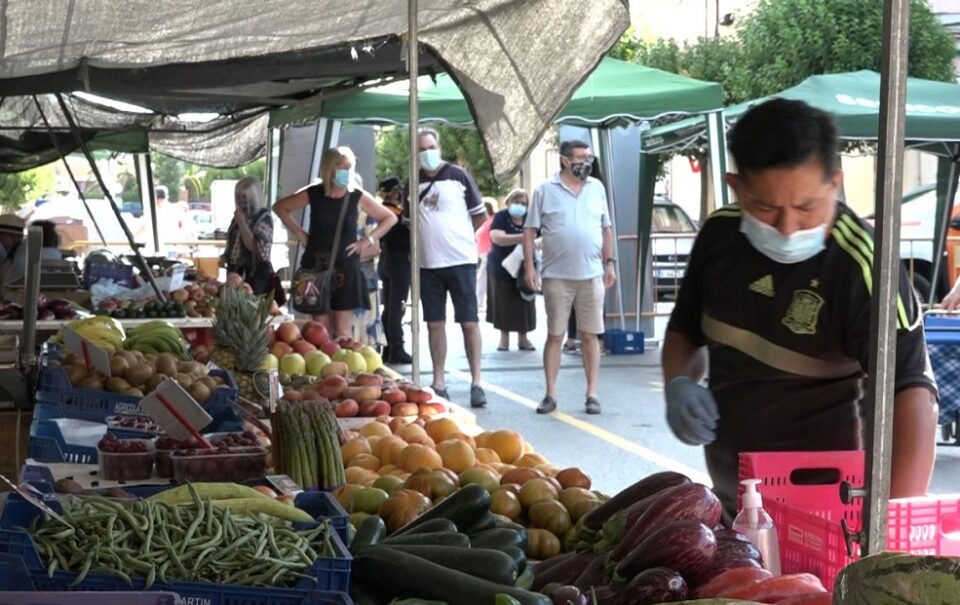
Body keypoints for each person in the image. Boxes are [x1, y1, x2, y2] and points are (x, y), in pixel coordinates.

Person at [662, 98, 939, 519]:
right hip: (736, 498)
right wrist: (679, 382)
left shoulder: (864, 264)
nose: (787, 227)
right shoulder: (719, 237)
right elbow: (685, 330)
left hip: (833, 508)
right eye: (766, 208)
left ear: (835, 184)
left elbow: (913, 393)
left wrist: (891, 521)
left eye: (806, 207)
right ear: (737, 187)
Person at [523, 139, 616, 415]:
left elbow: (606, 228)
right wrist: (530, 267)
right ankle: (550, 394)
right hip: (556, 276)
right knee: (555, 335)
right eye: (580, 157)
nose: (586, 162)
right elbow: (529, 230)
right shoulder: (545, 189)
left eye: (589, 157)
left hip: (592, 274)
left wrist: (609, 263)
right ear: (565, 160)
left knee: (590, 335)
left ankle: (592, 394)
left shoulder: (596, 188)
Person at [274, 146, 397, 337]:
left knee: (342, 331)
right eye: (341, 167)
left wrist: (367, 240)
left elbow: (390, 218)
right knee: (320, 330)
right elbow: (280, 207)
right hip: (316, 267)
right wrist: (300, 234)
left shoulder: (357, 196)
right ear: (329, 169)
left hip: (346, 266)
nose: (345, 172)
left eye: (349, 167)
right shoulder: (314, 193)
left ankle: (343, 356)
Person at [410, 128, 488, 407]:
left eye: (431, 147)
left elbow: (480, 216)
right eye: (421, 149)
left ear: (439, 148)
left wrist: (461, 238)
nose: (427, 153)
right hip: (428, 265)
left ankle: (476, 382)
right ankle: (439, 381)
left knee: (469, 322)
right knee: (434, 323)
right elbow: (410, 222)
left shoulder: (458, 176)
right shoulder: (412, 181)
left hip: (460, 262)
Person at [488, 189, 537, 351]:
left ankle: (523, 338)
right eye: (517, 202)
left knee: (525, 301)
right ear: (509, 202)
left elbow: (540, 236)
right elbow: (497, 238)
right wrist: (524, 237)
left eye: (523, 203)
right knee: (504, 302)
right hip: (502, 268)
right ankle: (504, 339)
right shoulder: (501, 217)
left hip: (525, 267)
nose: (520, 206)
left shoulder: (530, 218)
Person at [378, 176, 413, 364]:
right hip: (397, 261)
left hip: (387, 261)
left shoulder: (383, 211)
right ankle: (396, 347)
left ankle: (388, 347)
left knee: (391, 307)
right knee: (397, 307)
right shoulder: (394, 214)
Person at [222, 177, 275, 296]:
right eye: (238, 196)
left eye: (244, 197)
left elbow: (255, 248)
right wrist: (226, 256)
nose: (241, 201)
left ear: (254, 198)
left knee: (249, 303)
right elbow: (234, 242)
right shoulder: (238, 217)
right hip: (235, 271)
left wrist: (242, 223)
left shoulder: (264, 218)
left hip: (254, 274)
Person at [475, 199, 496, 312]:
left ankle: (480, 303)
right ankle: (482, 302)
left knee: (482, 278)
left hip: (489, 253)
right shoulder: (486, 221)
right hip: (483, 253)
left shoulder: (492, 221)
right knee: (483, 278)